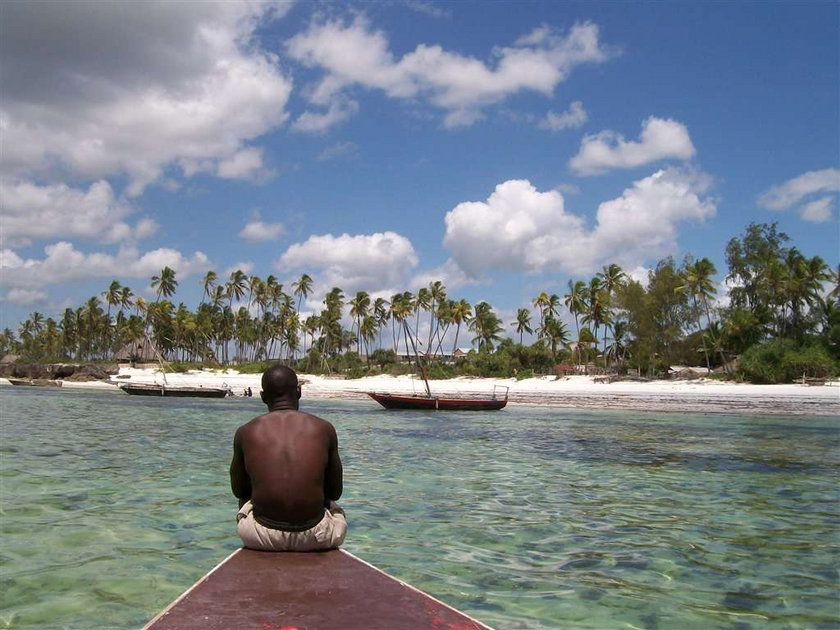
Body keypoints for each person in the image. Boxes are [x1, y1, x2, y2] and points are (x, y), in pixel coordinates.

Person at [230, 365, 346, 551]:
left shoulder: (246, 432)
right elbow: (335, 492)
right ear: (299, 391)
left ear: (262, 396)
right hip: (317, 537)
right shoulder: (324, 429)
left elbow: (238, 490)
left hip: (259, 538)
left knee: (246, 498)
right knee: (330, 504)